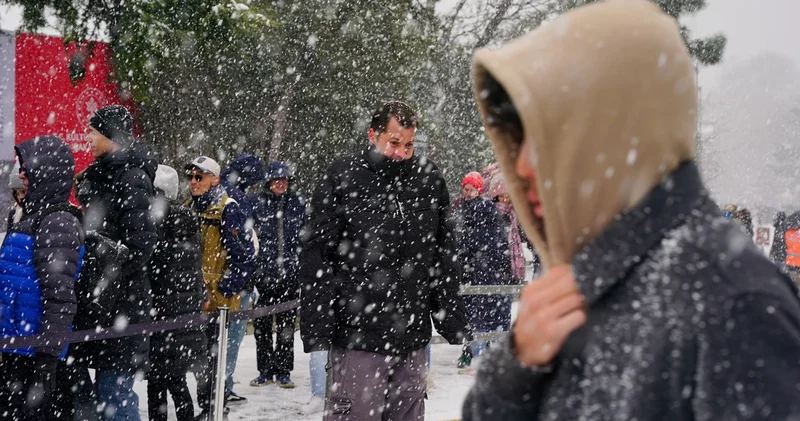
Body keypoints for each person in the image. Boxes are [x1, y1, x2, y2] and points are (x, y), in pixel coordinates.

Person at [463, 1, 800, 420]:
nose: (522, 167)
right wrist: (516, 371)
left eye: (548, 136)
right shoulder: (579, 284)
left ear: (613, 134)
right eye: (518, 138)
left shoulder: (735, 307)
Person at [300, 100, 470, 421]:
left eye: (409, 145)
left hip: (413, 336)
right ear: (372, 135)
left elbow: (443, 255)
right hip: (359, 336)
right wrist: (318, 326)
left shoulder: (429, 179)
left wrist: (451, 317)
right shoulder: (343, 176)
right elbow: (317, 254)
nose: (401, 153)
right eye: (393, 142)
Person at [71, 105, 158, 421]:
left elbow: (140, 245)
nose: (88, 138)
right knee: (93, 398)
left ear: (112, 135)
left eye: (94, 132)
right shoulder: (99, 176)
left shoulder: (132, 178)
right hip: (98, 304)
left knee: (115, 397)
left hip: (121, 306)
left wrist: (103, 263)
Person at [0, 136, 85, 420]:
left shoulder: (57, 221)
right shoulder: (27, 216)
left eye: (27, 169)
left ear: (45, 172)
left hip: (33, 355)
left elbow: (59, 297)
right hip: (15, 348)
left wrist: (47, 358)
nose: (21, 175)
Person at [184, 156, 255, 420]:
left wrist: (225, 289)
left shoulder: (228, 209)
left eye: (199, 177)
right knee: (197, 357)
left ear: (214, 179)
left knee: (212, 358)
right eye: (190, 176)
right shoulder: (188, 206)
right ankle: (208, 404)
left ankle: (214, 406)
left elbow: (244, 257)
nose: (193, 182)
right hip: (193, 296)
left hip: (216, 301)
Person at [146, 165, 207, 421]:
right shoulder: (188, 217)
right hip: (185, 307)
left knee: (157, 382)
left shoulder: (156, 217)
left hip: (161, 307)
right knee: (175, 377)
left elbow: (153, 260)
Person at [248, 161, 305, 389]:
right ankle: (264, 370)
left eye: (284, 180)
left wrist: (300, 268)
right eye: (276, 180)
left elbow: (305, 237)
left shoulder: (298, 203)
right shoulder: (256, 204)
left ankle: (283, 370)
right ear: (268, 182)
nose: (281, 183)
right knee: (261, 327)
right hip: (263, 277)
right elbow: (249, 239)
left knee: (286, 327)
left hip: (290, 276)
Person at [452, 172, 510, 370]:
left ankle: (484, 352)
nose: (468, 193)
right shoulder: (461, 209)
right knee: (475, 314)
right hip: (473, 271)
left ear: (479, 190)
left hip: (484, 270)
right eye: (466, 189)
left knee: (484, 313)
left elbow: (494, 241)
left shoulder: (485, 210)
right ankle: (474, 351)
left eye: (471, 189)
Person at [219, 154, 265, 403]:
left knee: (223, 340)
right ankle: (222, 387)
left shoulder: (223, 193)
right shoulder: (237, 199)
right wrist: (239, 281)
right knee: (231, 340)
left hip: (226, 278)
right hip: (235, 283)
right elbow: (243, 248)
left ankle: (220, 387)